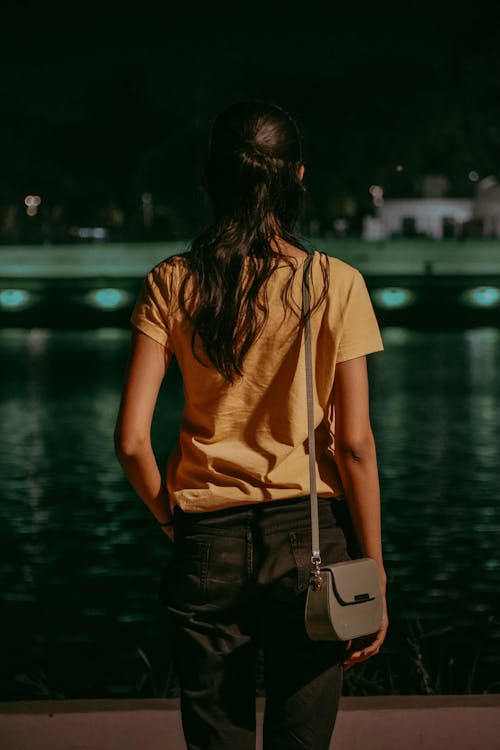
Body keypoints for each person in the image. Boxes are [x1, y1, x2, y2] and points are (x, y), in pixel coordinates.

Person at [114, 100, 388, 750]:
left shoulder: (172, 283)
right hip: (311, 543)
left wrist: (172, 522)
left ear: (214, 179)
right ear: (297, 177)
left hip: (205, 539)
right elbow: (351, 444)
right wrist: (373, 566)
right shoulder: (335, 283)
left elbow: (130, 442)